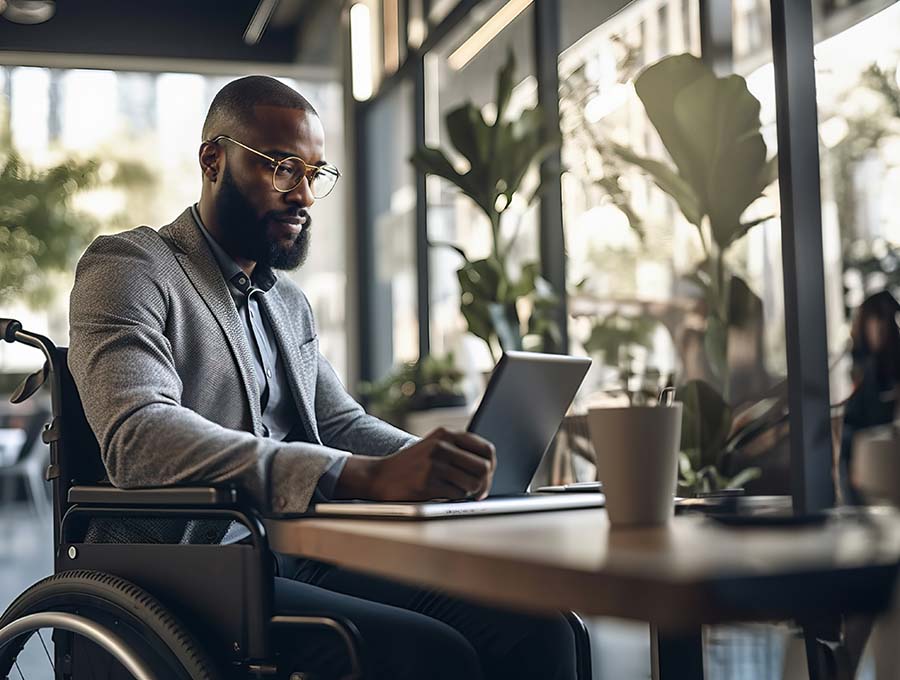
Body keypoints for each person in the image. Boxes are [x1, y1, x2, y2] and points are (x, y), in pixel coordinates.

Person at [67, 75, 576, 680]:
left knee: (538, 628)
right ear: (213, 160)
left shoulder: (288, 303)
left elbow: (339, 423)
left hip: (295, 554)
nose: (303, 195)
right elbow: (140, 436)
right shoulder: (130, 267)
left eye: (314, 175)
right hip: (185, 570)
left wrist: (435, 465)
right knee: (434, 653)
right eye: (283, 168)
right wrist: (352, 475)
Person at [840, 290, 900, 501]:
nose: (881, 327)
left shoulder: (893, 359)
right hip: (858, 441)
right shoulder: (860, 360)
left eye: (885, 319)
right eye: (875, 319)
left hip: (885, 445)